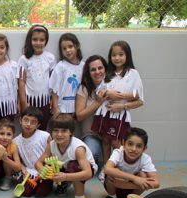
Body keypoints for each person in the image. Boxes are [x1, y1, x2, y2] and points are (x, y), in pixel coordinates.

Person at [91, 41, 144, 178]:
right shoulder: (108, 72)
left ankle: (119, 169)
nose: (117, 58)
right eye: (114, 55)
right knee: (106, 141)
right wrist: (106, 93)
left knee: (117, 143)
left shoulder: (133, 73)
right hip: (104, 113)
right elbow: (99, 92)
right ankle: (106, 168)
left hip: (120, 115)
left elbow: (137, 97)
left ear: (127, 55)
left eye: (121, 54)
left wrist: (120, 101)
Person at [36, 114, 97, 198]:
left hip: (84, 169)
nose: (59, 134)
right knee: (49, 163)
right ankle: (64, 183)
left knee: (74, 165)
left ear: (71, 132)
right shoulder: (51, 144)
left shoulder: (78, 148)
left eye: (64, 131)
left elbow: (88, 173)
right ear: (51, 132)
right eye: (55, 130)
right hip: (65, 166)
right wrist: (43, 171)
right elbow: (38, 163)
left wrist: (65, 177)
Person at [102, 127, 159, 198]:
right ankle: (111, 197)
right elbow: (107, 169)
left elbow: (156, 183)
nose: (133, 149)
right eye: (130, 144)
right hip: (114, 186)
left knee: (143, 175)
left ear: (144, 148)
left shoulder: (145, 159)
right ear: (123, 143)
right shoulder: (118, 152)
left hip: (129, 188)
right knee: (111, 173)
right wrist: (135, 179)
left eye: (139, 146)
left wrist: (125, 184)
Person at [18, 25, 56, 130]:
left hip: (45, 102)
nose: (38, 43)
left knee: (43, 129)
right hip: (30, 102)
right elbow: (21, 82)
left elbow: (53, 82)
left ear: (46, 41)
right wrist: (23, 103)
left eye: (41, 40)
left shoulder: (50, 58)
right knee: (28, 129)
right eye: (35, 39)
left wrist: (53, 101)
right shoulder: (24, 59)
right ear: (30, 40)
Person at [75, 55, 107, 166]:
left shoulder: (112, 85)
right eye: (93, 69)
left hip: (112, 133)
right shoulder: (84, 88)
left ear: (105, 69)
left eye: (100, 68)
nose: (97, 72)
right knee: (91, 154)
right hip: (92, 134)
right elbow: (79, 116)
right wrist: (97, 103)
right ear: (88, 73)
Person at [13, 107, 51, 197]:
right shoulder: (15, 141)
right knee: (26, 193)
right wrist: (23, 169)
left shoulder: (45, 136)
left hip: (44, 170)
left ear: (38, 125)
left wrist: (46, 170)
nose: (28, 124)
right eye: (26, 120)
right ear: (20, 120)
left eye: (33, 122)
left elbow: (51, 154)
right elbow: (19, 161)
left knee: (40, 194)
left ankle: (46, 184)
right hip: (29, 172)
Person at [49, 33, 84, 116]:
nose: (68, 50)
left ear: (77, 46)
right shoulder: (61, 66)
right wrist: (55, 108)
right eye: (64, 48)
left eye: (70, 46)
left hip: (77, 109)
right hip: (61, 110)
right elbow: (54, 90)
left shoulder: (84, 66)